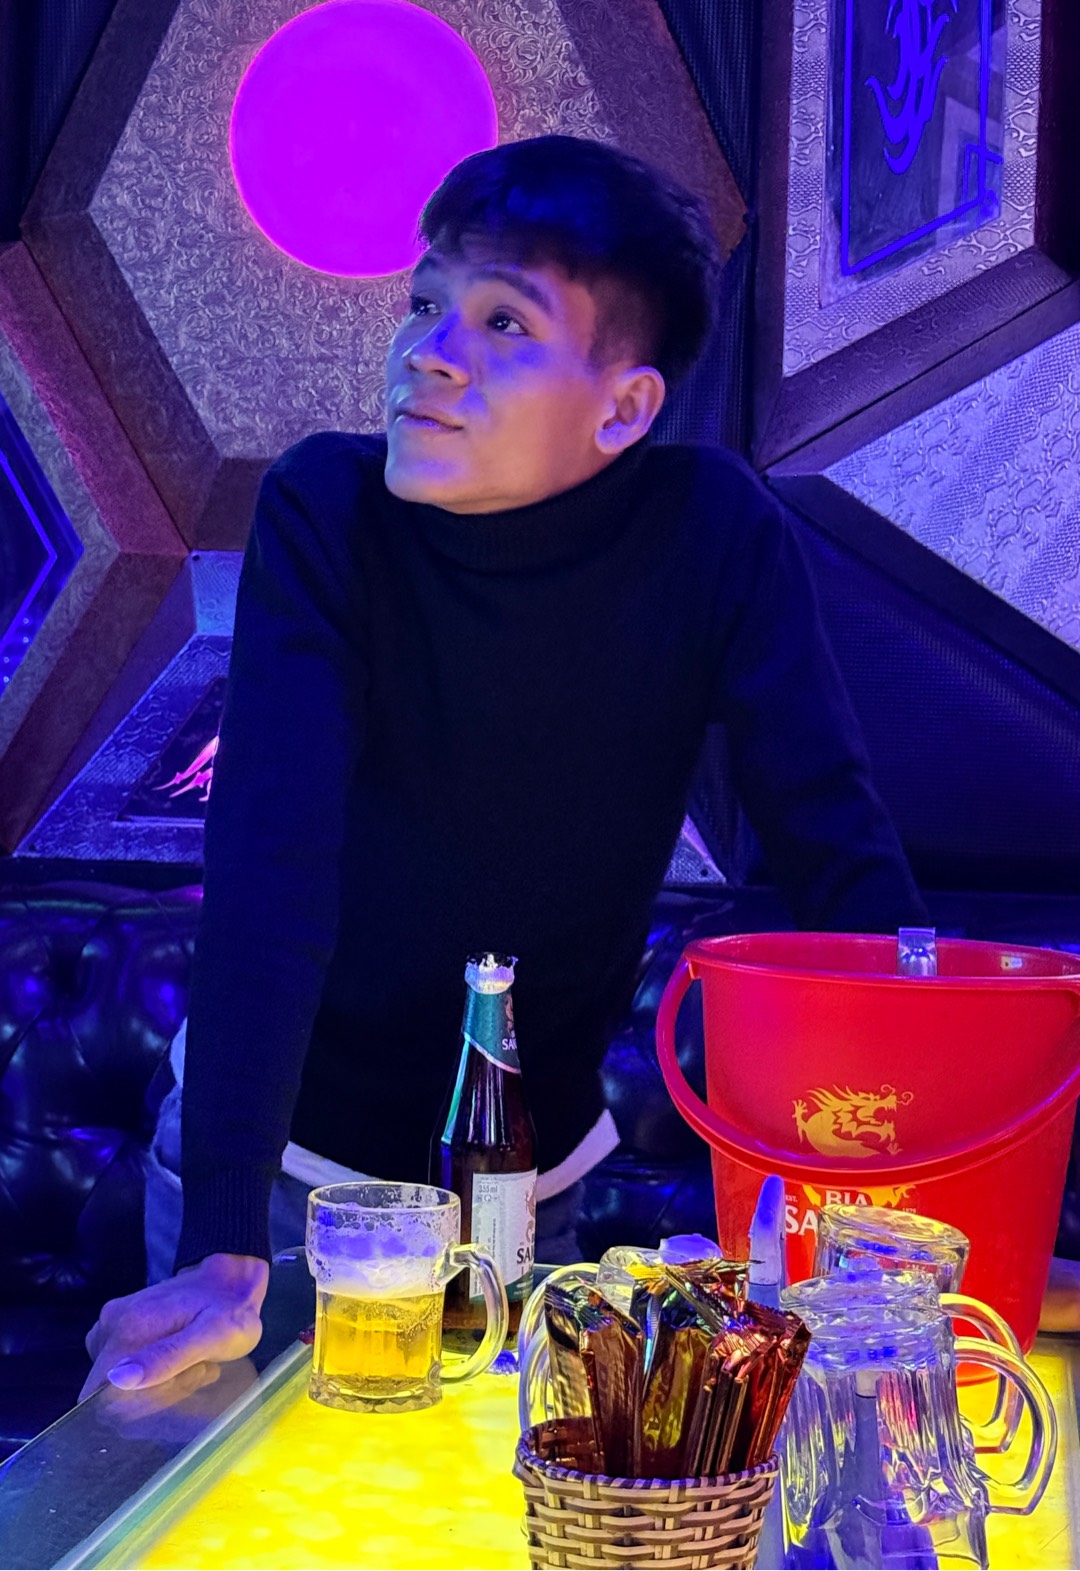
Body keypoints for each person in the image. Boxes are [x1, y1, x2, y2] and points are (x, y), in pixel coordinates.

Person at [81, 135, 926, 1397]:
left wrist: (940, 1168)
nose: (429, 352)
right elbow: (271, 862)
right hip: (282, 1180)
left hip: (526, 1191)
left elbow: (834, 846)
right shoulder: (327, 507)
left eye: (504, 321)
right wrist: (220, 1247)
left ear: (622, 408)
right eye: (425, 303)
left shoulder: (713, 533)